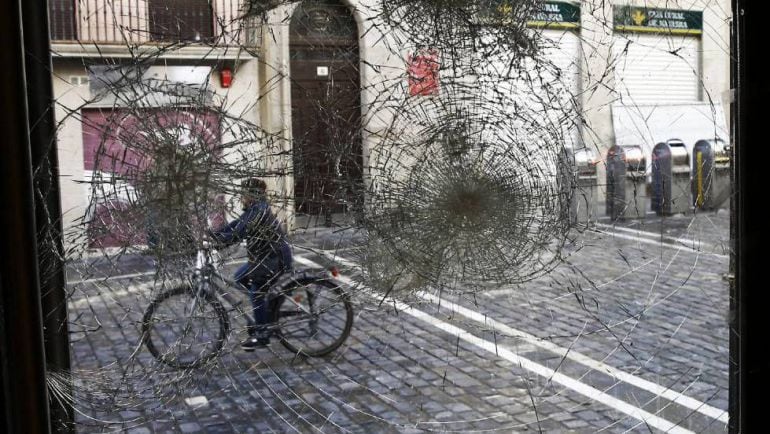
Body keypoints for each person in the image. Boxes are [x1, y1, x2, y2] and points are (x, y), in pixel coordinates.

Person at [208, 178, 293, 350]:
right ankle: (268, 311)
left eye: (243, 194)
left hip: (273, 259)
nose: (241, 197)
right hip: (263, 258)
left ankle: (262, 335)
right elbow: (236, 225)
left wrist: (219, 242)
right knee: (239, 277)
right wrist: (213, 235)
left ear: (251, 195)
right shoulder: (254, 209)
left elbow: (239, 233)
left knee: (256, 292)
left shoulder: (258, 212)